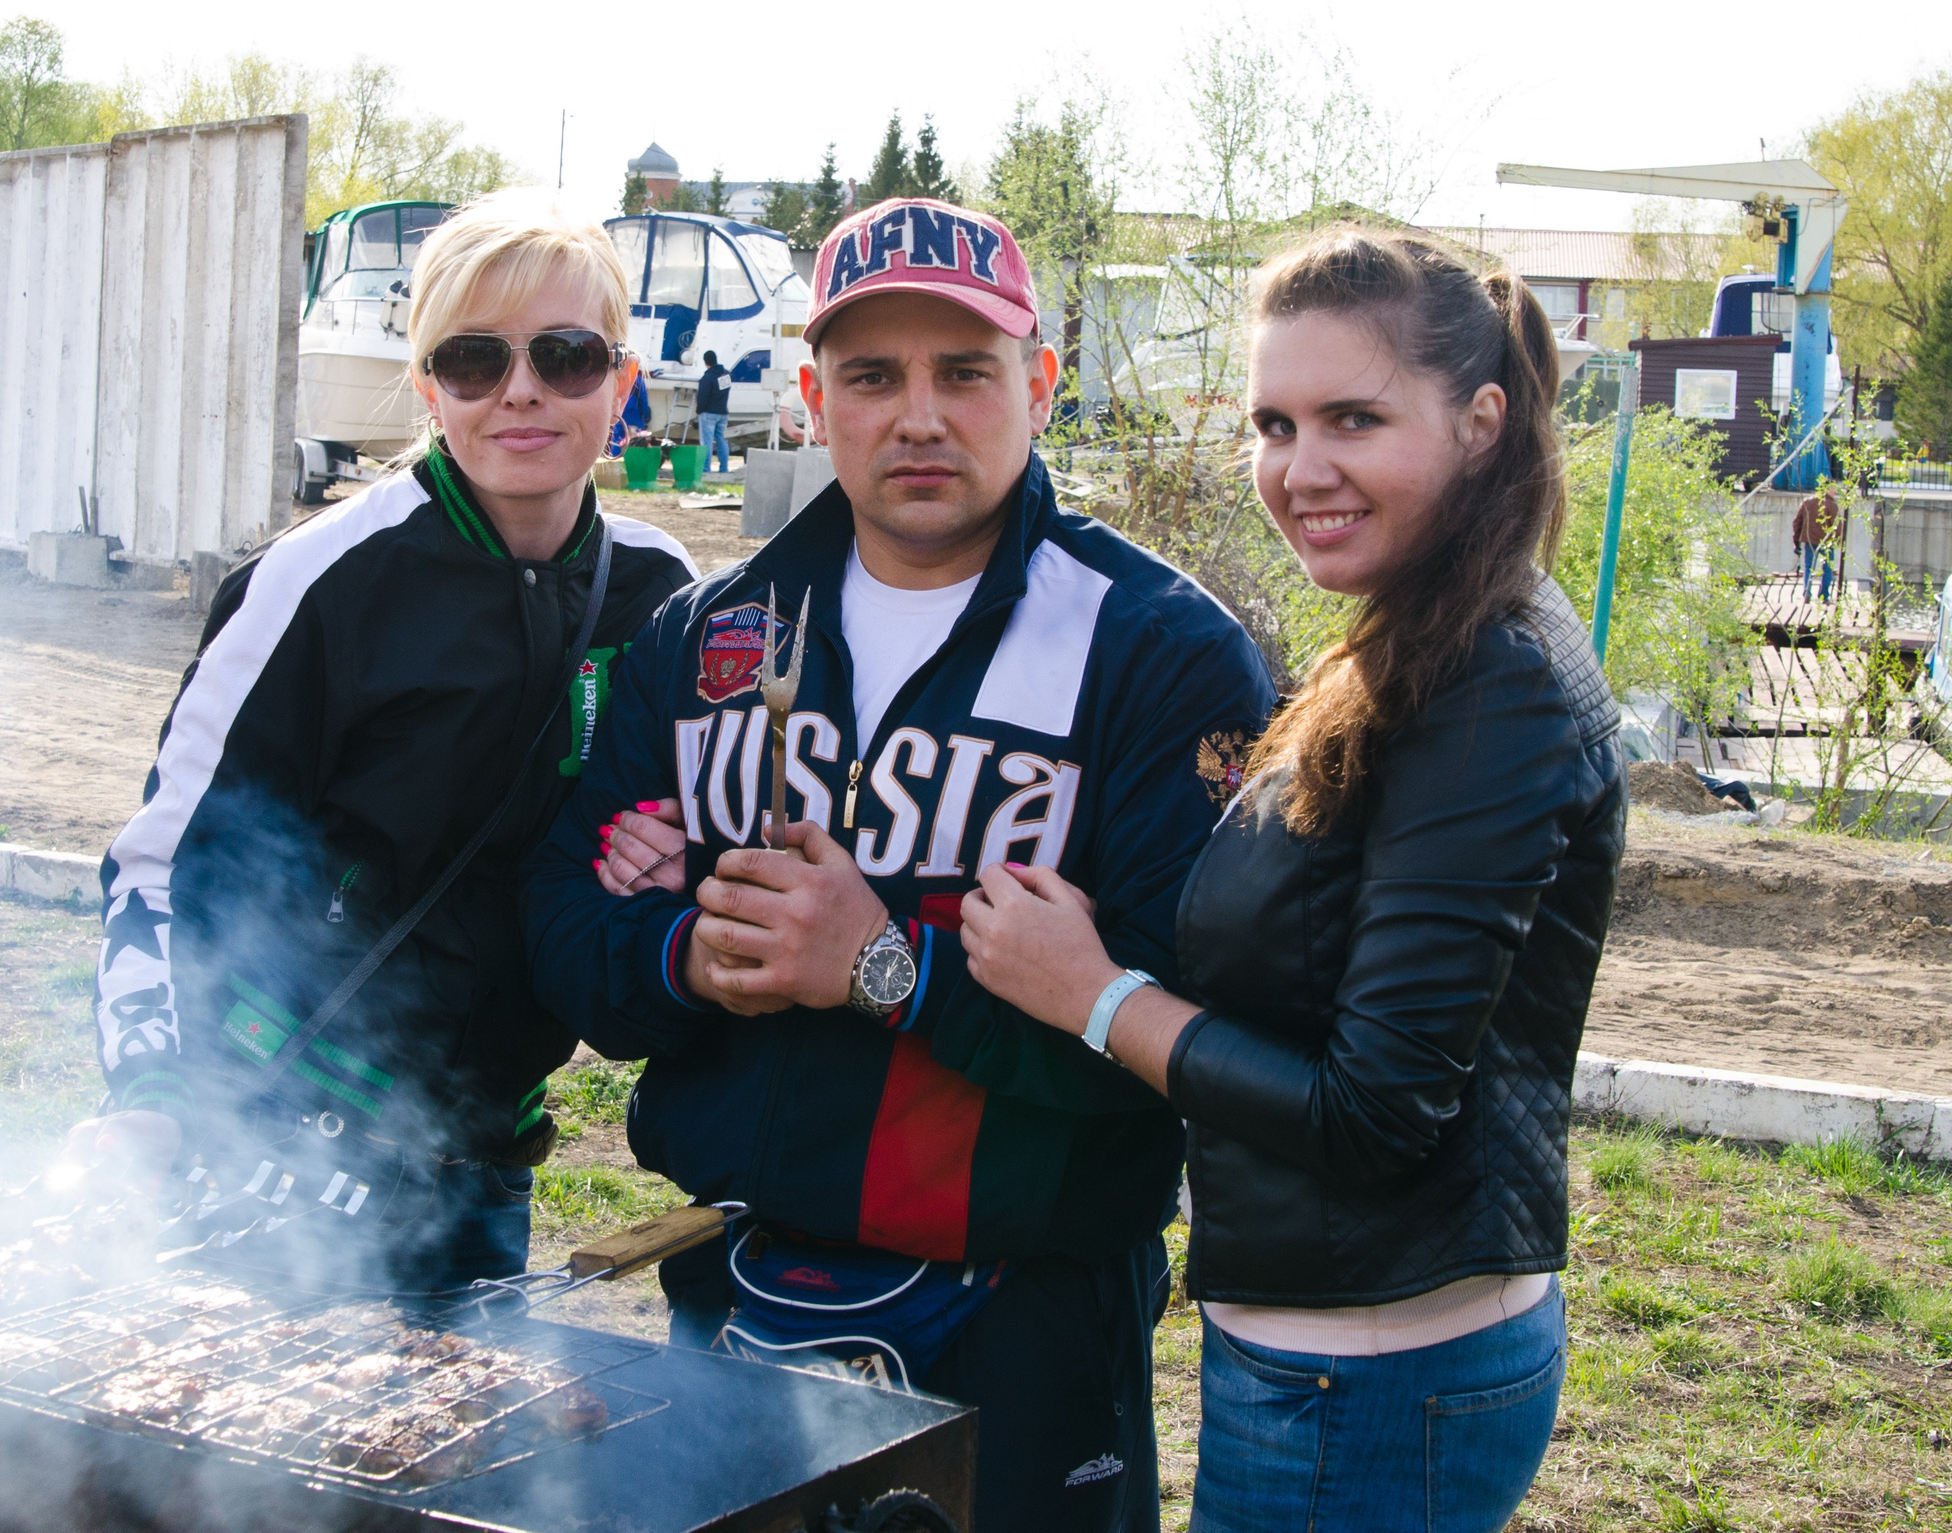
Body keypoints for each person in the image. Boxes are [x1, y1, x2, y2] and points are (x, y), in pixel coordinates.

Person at [523, 198, 1275, 1533]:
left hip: (1025, 1319)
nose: (919, 416)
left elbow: (1189, 1025)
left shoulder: (1161, 652)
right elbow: (567, 931)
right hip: (739, 1287)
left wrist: (884, 968)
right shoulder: (707, 635)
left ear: (1039, 384)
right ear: (815, 400)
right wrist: (688, 955)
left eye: (965, 371)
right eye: (873, 376)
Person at [961, 228, 1623, 1532]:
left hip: (1369, 1373)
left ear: (1482, 423)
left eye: (1354, 419)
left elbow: (1372, 1114)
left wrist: (1094, 997)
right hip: (1349, 1351)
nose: (1298, 469)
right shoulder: (1422, 635)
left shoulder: (1486, 685)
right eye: (1272, 422)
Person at [68, 190, 696, 1290]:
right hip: (275, 1145)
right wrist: (153, 1100)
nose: (520, 391)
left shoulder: (665, 597)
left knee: (450, 1461)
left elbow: (693, 841)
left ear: (624, 382)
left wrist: (672, 865)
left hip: (483, 1160)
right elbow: (165, 867)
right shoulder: (318, 581)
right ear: (425, 385)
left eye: (565, 354)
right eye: (471, 359)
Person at [1793, 488, 1840, 600]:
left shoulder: (1807, 502)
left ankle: (1807, 591)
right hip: (1827, 543)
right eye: (1833, 489)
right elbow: (1837, 527)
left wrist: (1796, 542)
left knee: (1809, 567)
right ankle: (1824, 595)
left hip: (1810, 540)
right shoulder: (1832, 506)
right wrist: (1837, 541)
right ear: (1827, 490)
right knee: (1827, 568)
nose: (1835, 492)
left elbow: (1797, 522)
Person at [695, 349, 733, 475]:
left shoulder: (707, 378)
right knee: (722, 440)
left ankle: (706, 469)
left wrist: (699, 411)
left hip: (709, 413)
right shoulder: (725, 374)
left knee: (706, 442)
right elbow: (725, 391)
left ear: (706, 362)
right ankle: (724, 468)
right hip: (723, 412)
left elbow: (702, 397)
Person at [610, 367, 653, 457]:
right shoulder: (638, 380)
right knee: (636, 441)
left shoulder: (616, 378)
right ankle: (634, 462)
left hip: (619, 413)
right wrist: (645, 416)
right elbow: (643, 400)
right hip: (634, 415)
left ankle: (615, 460)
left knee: (618, 439)